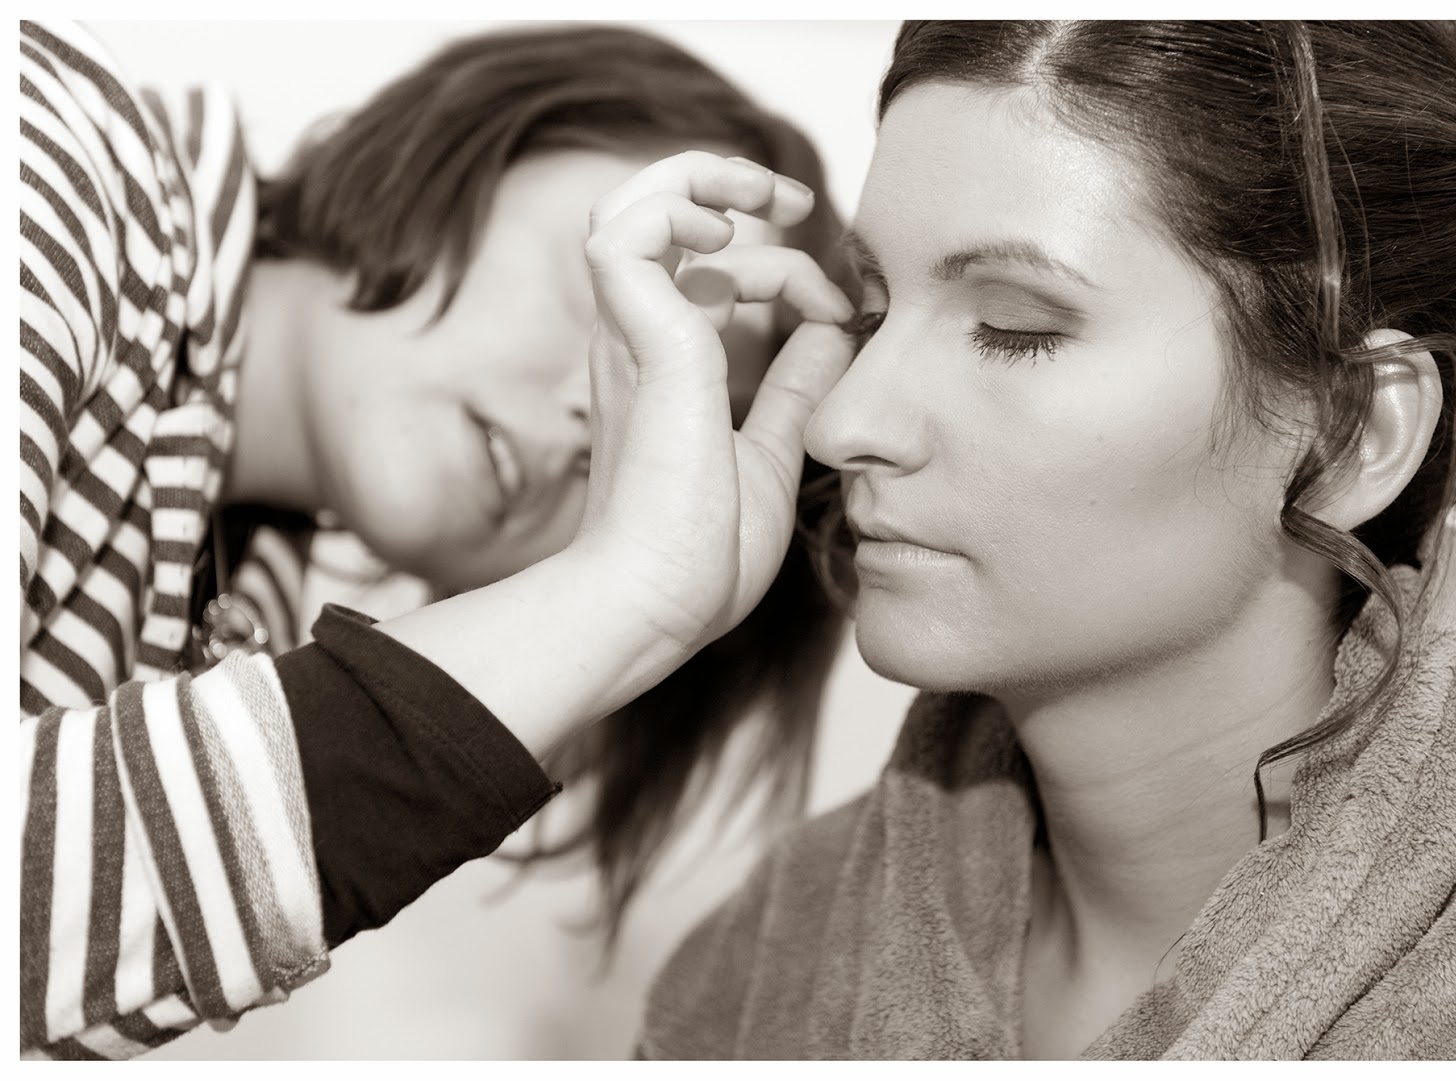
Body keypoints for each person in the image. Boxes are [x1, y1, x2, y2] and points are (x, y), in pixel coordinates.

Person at [629, 20, 1456, 1059]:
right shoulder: (761, 958)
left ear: (1353, 430)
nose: (842, 424)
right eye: (872, 313)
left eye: (1015, 326)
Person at [19, 20, 853, 1058]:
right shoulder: (53, 167)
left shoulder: (219, 617)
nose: (590, 424)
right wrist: (616, 598)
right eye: (614, 300)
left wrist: (626, 594)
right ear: (482, 135)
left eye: (663, 414)